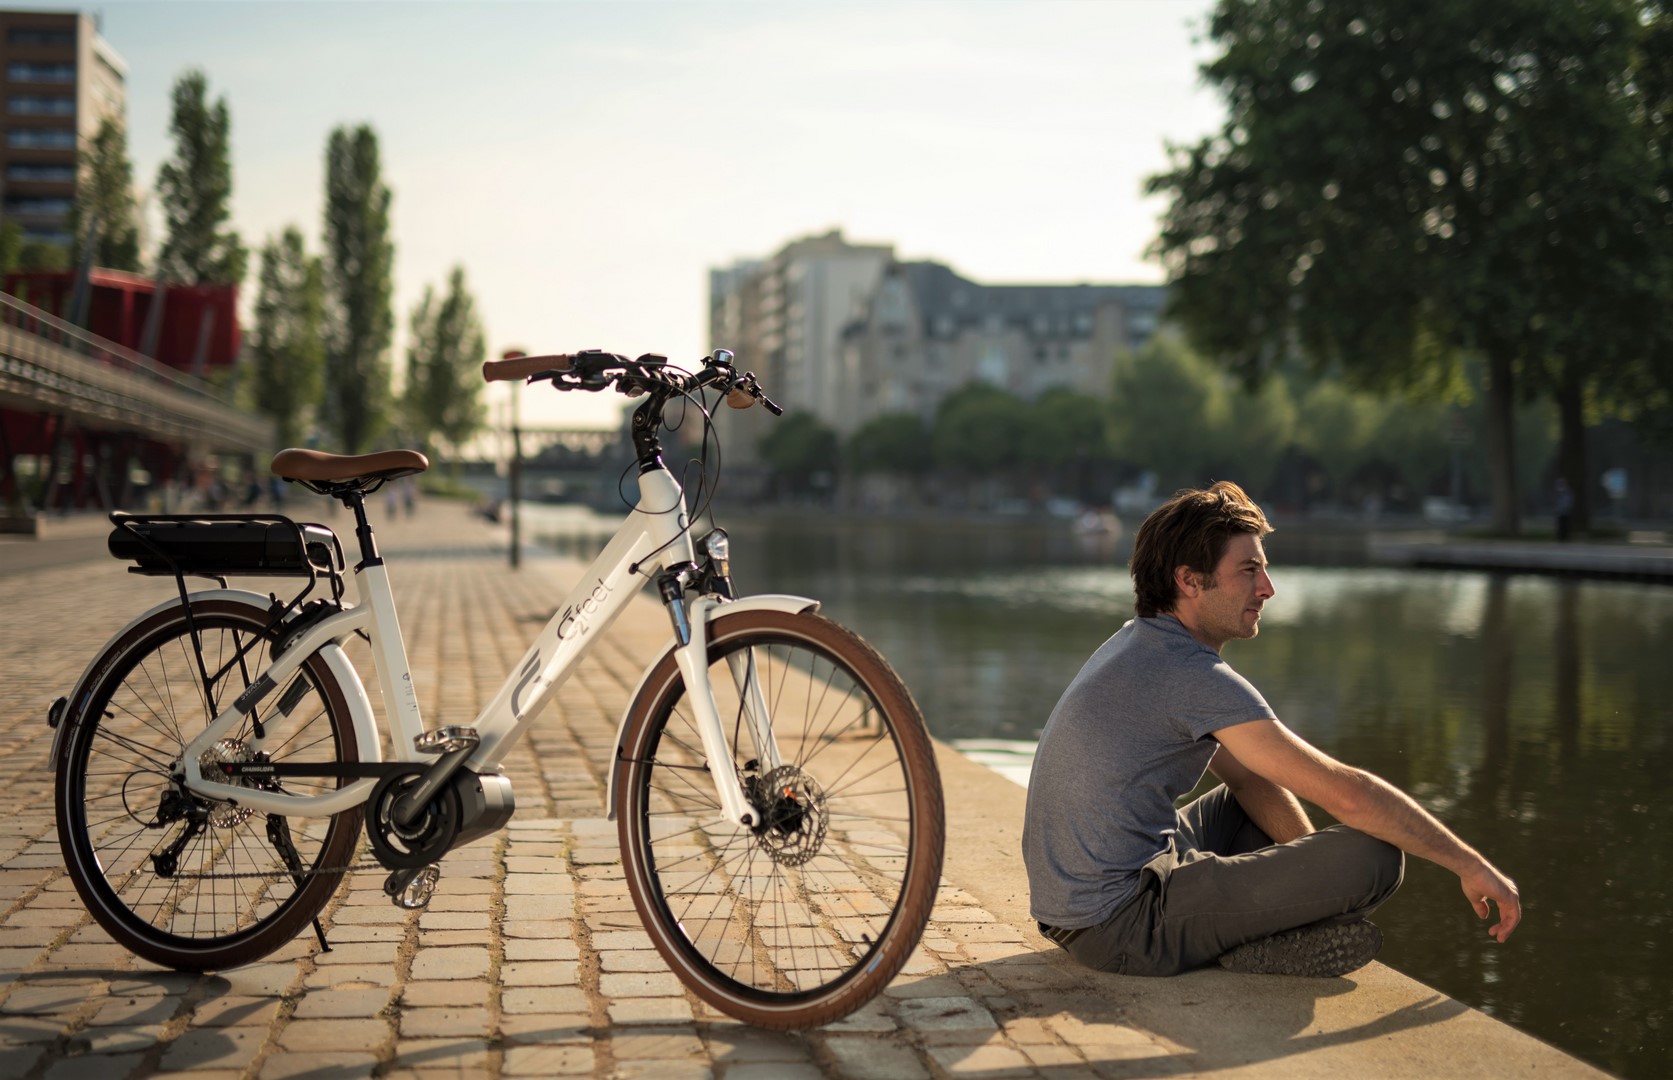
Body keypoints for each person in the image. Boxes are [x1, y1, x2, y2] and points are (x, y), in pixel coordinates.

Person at [1022, 481, 1520, 977]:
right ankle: (1254, 940)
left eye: (1264, 568)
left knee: (1252, 792)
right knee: (1376, 854)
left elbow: (1248, 778)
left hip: (1076, 910)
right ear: (1190, 581)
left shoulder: (1139, 646)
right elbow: (1349, 795)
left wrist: (1310, 888)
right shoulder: (1191, 676)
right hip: (1122, 927)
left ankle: (1272, 930)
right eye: (1248, 570)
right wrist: (1470, 865)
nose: (1267, 588)